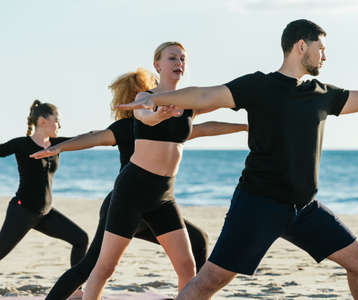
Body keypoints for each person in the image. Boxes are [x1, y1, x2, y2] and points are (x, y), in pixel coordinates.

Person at [117, 20, 358, 300]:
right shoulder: (258, 86)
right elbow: (206, 94)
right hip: (257, 204)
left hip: (304, 208)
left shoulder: (322, 94)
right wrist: (157, 97)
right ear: (301, 47)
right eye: (321, 48)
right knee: (210, 281)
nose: (325, 56)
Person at [30, 68, 247, 300]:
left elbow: (204, 129)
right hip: (125, 202)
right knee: (94, 266)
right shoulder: (126, 127)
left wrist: (244, 127)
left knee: (197, 241)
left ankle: (195, 294)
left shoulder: (173, 124)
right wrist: (60, 146)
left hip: (157, 202)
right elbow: (94, 137)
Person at [82, 42, 241, 300]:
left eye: (182, 58)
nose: (179, 62)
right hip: (132, 191)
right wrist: (159, 116)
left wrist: (247, 125)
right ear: (158, 65)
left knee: (187, 266)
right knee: (105, 267)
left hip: (163, 195)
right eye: (172, 58)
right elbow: (146, 116)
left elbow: (216, 107)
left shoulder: (188, 101)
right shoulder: (145, 97)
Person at [0, 100, 88, 268]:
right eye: (57, 120)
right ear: (42, 121)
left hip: (45, 214)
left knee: (80, 239)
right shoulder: (21, 144)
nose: (60, 125)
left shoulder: (58, 145)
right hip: (22, 212)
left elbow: (85, 139)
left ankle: (75, 291)